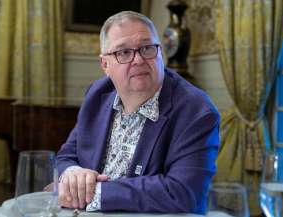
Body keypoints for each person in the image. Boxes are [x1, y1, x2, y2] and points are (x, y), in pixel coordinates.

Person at [56, 11, 220, 214]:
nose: (138, 60)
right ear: (105, 64)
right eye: (123, 52)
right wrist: (73, 173)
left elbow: (183, 193)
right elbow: (67, 156)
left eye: (147, 48)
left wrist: (95, 193)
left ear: (160, 52)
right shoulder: (97, 95)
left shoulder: (196, 111)